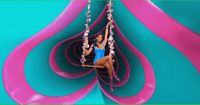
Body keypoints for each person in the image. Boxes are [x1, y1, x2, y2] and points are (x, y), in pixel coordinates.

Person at [85, 22, 120, 91]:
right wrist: (85, 47)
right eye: (99, 37)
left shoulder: (103, 44)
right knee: (109, 57)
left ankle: (111, 82)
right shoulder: (93, 45)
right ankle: (114, 72)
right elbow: (88, 53)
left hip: (103, 62)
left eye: (101, 38)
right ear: (97, 37)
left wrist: (107, 25)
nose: (100, 38)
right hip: (97, 62)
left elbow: (106, 35)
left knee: (108, 65)